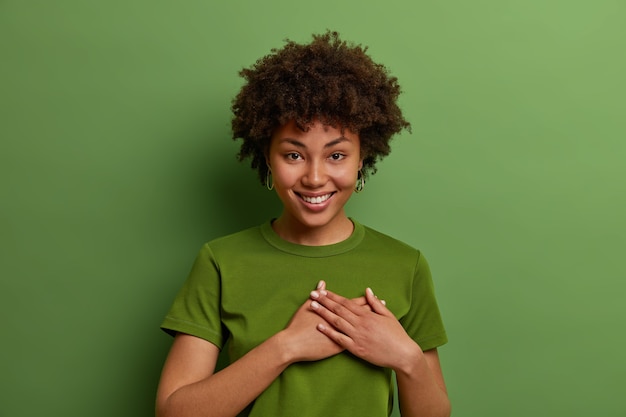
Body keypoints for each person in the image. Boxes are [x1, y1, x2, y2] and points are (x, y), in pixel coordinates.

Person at [156, 31, 451, 417]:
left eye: (337, 155)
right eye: (294, 154)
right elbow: (174, 412)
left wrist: (406, 357)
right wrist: (287, 347)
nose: (314, 177)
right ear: (268, 157)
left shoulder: (405, 265)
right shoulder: (220, 261)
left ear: (362, 158)